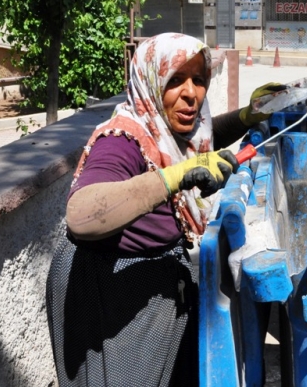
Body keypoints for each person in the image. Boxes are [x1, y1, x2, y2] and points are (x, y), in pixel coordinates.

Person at [46, 33, 281, 387]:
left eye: (199, 80)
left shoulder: (166, 133)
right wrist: (176, 176)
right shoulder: (120, 140)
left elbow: (202, 140)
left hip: (156, 289)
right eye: (175, 80)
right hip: (111, 298)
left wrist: (249, 116)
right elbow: (81, 215)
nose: (191, 93)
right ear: (150, 82)